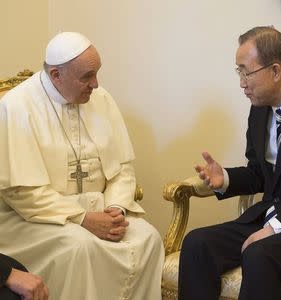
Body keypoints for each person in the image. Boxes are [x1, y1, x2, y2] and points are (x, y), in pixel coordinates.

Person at [0, 32, 164, 300]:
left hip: (100, 207)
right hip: (32, 219)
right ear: (56, 75)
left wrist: (115, 208)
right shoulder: (16, 106)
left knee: (149, 238)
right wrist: (83, 218)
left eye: (97, 74)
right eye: (86, 76)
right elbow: (22, 194)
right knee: (79, 246)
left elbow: (122, 169)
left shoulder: (101, 99)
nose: (96, 85)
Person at [178, 26, 281, 300]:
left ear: (276, 71)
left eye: (246, 71)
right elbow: (259, 173)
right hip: (268, 215)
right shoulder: (258, 111)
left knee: (259, 253)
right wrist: (226, 179)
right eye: (239, 72)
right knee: (197, 243)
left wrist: (275, 228)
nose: (242, 82)